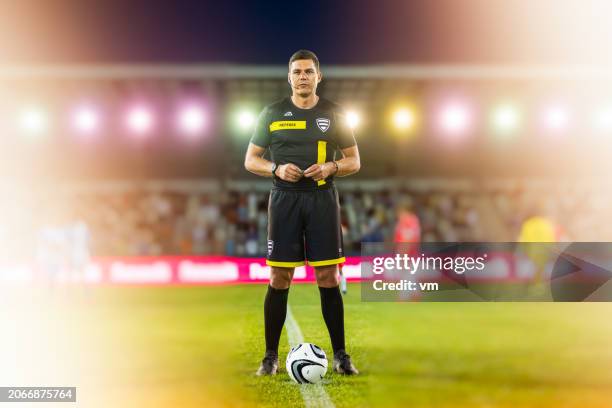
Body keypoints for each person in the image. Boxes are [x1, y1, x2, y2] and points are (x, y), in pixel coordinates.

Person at [244, 49, 361, 376]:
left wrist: (333, 166)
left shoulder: (334, 114)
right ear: (289, 77)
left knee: (328, 276)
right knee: (279, 277)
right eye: (297, 72)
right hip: (284, 200)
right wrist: (276, 169)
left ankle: (340, 355)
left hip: (322, 199)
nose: (303, 77)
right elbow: (250, 159)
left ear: (318, 76)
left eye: (308, 72)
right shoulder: (272, 113)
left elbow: (355, 160)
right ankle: (270, 356)